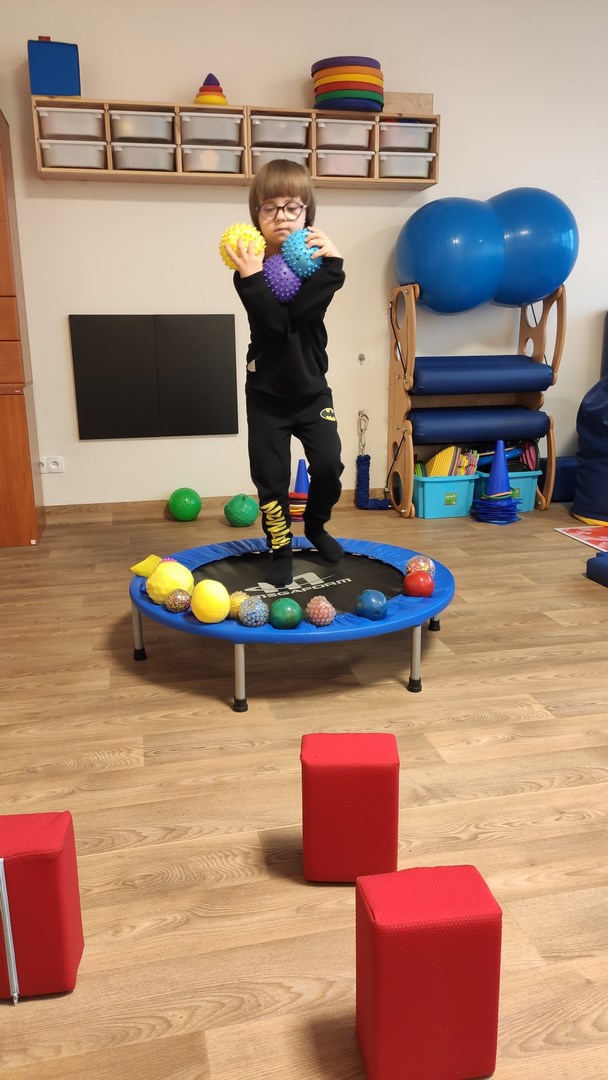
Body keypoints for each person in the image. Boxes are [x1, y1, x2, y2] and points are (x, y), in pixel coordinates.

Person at [225, 159, 345, 587]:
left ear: (307, 213)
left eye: (292, 207)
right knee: (270, 479)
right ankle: (280, 548)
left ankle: (316, 525)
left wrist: (333, 266)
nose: (281, 217)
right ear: (256, 216)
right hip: (266, 395)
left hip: (312, 391)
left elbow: (304, 314)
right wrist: (252, 277)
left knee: (329, 464)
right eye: (269, 208)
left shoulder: (318, 265)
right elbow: (276, 326)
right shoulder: (248, 266)